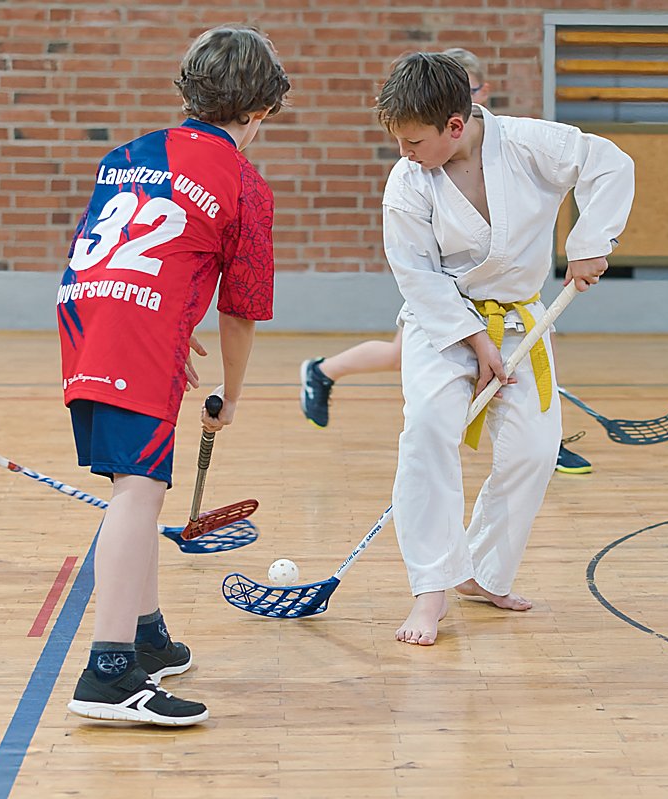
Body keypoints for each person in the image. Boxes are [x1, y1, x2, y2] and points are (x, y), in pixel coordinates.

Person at [57, 24, 289, 725]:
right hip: (136, 331)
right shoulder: (243, 180)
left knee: (137, 483)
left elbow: (130, 250)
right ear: (258, 113)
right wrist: (230, 397)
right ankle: (108, 671)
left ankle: (148, 634)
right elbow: (241, 311)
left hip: (83, 316)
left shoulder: (125, 154)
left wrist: (161, 322)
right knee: (138, 491)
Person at [376, 52, 633, 645]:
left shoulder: (528, 144)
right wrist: (472, 340)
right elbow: (415, 272)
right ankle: (431, 590)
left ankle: (484, 573)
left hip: (520, 320)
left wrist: (591, 239)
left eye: (414, 141)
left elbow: (611, 164)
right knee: (429, 433)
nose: (404, 153)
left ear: (456, 126)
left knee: (534, 450)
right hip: (443, 324)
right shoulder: (408, 181)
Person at [299, 48, 593, 474]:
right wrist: (475, 336)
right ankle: (323, 370)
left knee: (426, 365)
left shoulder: (511, 147)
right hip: (444, 297)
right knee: (408, 364)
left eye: (476, 94)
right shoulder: (418, 171)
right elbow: (420, 274)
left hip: (495, 308)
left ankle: (538, 437)